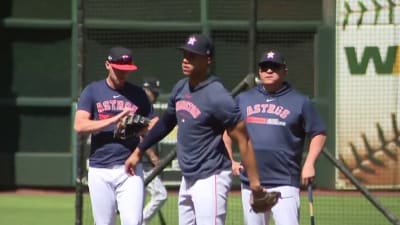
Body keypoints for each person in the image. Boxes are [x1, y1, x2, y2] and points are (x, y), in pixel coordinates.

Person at [124, 34, 264, 225]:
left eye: (192, 56)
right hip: (188, 177)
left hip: (211, 176)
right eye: (185, 54)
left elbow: (243, 138)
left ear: (207, 60)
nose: (185, 60)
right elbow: (166, 123)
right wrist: (139, 151)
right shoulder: (181, 87)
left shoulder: (217, 95)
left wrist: (255, 185)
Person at [224, 50, 327, 225]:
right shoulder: (243, 99)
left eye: (274, 67)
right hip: (251, 183)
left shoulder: (300, 101)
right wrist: (230, 160)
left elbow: (319, 132)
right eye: (265, 67)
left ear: (284, 71)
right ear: (259, 72)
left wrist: (309, 163)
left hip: (285, 182)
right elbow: (227, 132)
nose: (269, 71)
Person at [74, 46, 157, 225]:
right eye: (118, 69)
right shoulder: (92, 91)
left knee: (133, 222)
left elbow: (155, 123)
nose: (122, 74)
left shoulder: (138, 94)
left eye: (126, 70)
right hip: (99, 169)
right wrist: (114, 120)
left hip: (130, 168)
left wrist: (138, 128)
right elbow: (79, 125)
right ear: (107, 65)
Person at [141, 78, 168, 225]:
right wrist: (153, 157)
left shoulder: (150, 110)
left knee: (140, 200)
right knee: (161, 195)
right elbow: (141, 137)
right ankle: (140, 221)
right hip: (144, 163)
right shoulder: (142, 109)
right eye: (153, 92)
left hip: (145, 164)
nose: (155, 96)